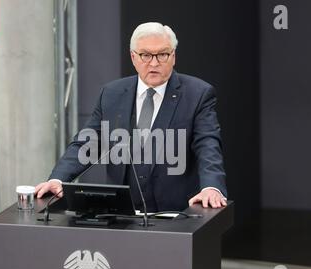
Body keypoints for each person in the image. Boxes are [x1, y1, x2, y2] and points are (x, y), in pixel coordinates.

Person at [35, 22, 227, 211]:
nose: (154, 63)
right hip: (122, 213)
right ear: (133, 57)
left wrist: (211, 187)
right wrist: (58, 179)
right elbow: (88, 144)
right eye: (145, 55)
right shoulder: (112, 93)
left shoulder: (197, 94)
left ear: (173, 56)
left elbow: (208, 144)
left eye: (162, 54)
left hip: (177, 215)